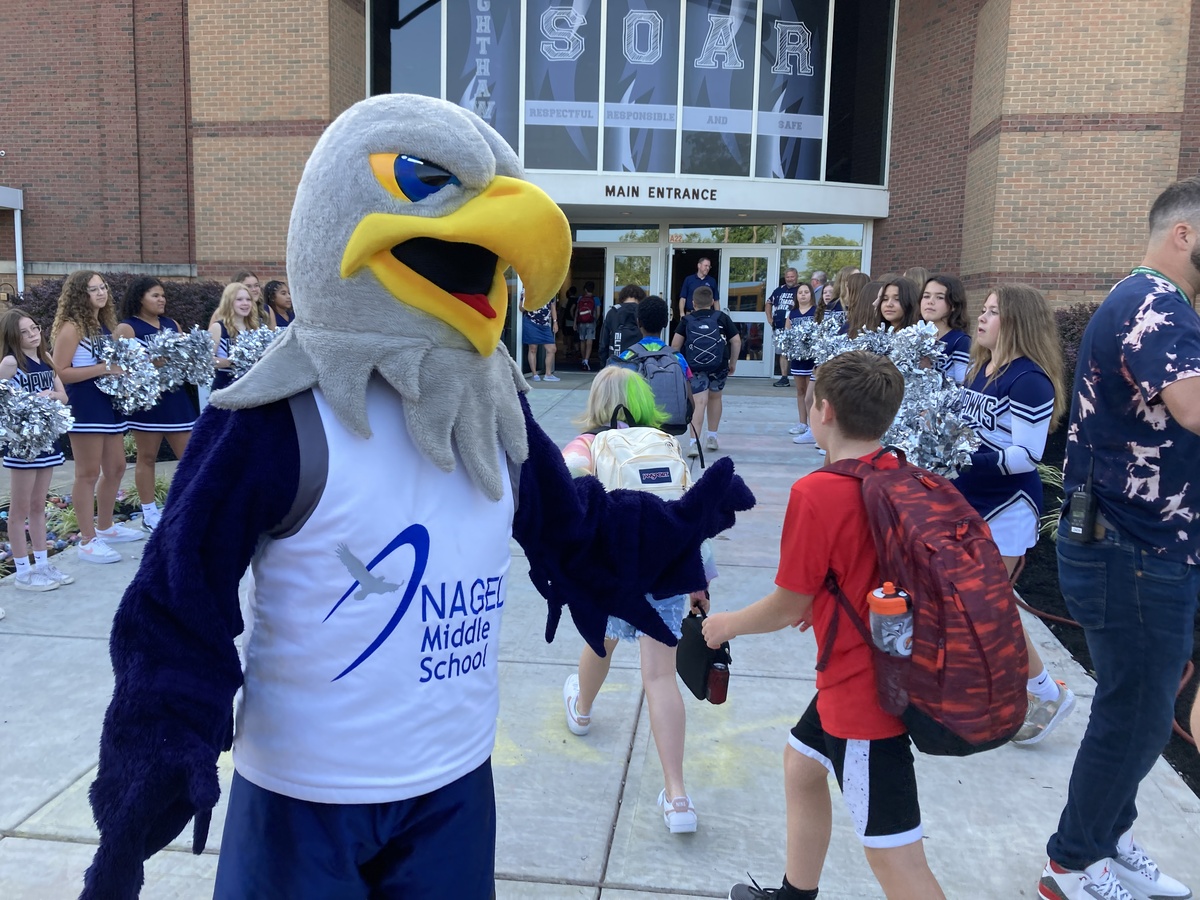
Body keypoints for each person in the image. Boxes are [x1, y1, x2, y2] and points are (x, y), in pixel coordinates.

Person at [703, 351, 946, 900]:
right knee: (803, 761)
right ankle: (795, 894)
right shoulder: (904, 475)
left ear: (824, 411)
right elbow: (865, 568)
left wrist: (724, 627)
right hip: (891, 668)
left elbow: (788, 604)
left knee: (897, 859)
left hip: (865, 699)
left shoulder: (818, 492)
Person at [1038, 178, 1200, 900]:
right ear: (1184, 234)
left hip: (1135, 545)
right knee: (1135, 711)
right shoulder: (1157, 303)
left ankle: (1106, 836)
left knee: (1141, 706)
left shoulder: (1145, 300)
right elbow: (1195, 408)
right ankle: (1072, 863)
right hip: (1132, 551)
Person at [560, 365, 712, 833]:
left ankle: (582, 711)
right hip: (665, 570)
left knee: (600, 641)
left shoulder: (585, 446)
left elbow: (565, 502)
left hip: (612, 571)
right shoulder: (665, 444)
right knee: (660, 678)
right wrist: (699, 579)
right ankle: (678, 798)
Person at [951, 285, 1075, 751]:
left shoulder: (1029, 379)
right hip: (970, 498)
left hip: (1006, 507)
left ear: (1018, 320)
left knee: (989, 607)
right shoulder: (980, 368)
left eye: (993, 312)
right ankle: (998, 690)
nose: (981, 318)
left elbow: (1028, 453)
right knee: (969, 605)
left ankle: (1047, 693)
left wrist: (966, 456)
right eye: (981, 310)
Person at [51, 271, 145, 564]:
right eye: (94, 289)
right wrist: (105, 368)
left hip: (107, 402)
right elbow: (62, 371)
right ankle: (88, 541)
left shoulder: (102, 324)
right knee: (87, 473)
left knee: (116, 467)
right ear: (81, 294)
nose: (101, 293)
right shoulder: (71, 328)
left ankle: (105, 528)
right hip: (85, 405)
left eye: (103, 287)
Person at [114, 277, 198, 531]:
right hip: (148, 403)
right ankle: (149, 513)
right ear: (140, 298)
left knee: (190, 456)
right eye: (155, 295)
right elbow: (121, 368)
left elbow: (186, 357)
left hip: (176, 398)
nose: (161, 299)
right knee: (147, 457)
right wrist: (153, 362)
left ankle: (190, 507)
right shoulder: (127, 328)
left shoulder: (172, 324)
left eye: (163, 295)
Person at [0, 308, 73, 590]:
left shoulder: (45, 358)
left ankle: (42, 564)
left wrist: (52, 396)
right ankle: (22, 572)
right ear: (11, 337)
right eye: (24, 332)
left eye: (34, 328)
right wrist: (29, 403)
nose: (32, 335)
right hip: (22, 446)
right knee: (19, 510)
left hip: (47, 441)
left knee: (38, 506)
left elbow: (63, 397)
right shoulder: (9, 363)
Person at [672, 286, 740, 456]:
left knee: (699, 401)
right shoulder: (722, 317)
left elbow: (675, 345)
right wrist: (733, 362)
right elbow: (736, 340)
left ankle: (694, 443)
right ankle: (712, 437)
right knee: (715, 397)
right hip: (719, 365)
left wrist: (681, 366)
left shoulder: (687, 320)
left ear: (693, 303)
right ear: (711, 302)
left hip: (694, 367)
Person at [919, 274, 971, 385]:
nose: (930, 302)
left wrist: (928, 371)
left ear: (954, 305)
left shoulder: (961, 341)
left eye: (940, 297)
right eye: (926, 296)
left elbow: (963, 387)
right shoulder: (914, 336)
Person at [209, 281, 261, 392]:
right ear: (229, 302)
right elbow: (206, 360)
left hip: (250, 388)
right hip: (224, 387)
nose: (245, 303)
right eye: (239, 299)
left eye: (248, 300)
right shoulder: (218, 327)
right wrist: (230, 362)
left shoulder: (254, 329)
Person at [786, 281, 818, 445]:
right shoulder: (792, 314)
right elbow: (787, 333)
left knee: (810, 394)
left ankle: (812, 427)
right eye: (800, 293)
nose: (803, 295)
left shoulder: (817, 312)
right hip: (797, 359)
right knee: (800, 390)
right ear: (796, 296)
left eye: (806, 292)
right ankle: (802, 423)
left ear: (811, 295)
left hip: (811, 359)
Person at [767, 268, 799, 387]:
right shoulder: (779, 290)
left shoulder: (801, 290)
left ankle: (800, 377)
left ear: (797, 276)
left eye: (792, 276)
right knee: (783, 352)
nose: (790, 279)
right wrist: (769, 318)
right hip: (779, 326)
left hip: (796, 327)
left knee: (797, 352)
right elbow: (768, 303)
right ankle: (784, 378)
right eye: (787, 277)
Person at [600, 283, 645, 361]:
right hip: (639, 363)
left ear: (622, 297)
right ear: (641, 298)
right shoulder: (643, 312)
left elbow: (603, 343)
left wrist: (603, 365)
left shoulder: (613, 312)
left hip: (616, 364)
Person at [522, 295, 559, 382]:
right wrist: (525, 300)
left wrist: (555, 322)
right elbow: (521, 308)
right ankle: (534, 374)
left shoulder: (549, 290)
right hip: (531, 322)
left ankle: (548, 374)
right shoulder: (528, 291)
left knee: (552, 349)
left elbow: (552, 307)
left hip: (545, 324)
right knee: (533, 348)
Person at [575, 281, 598, 369]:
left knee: (582, 340)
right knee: (589, 341)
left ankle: (583, 359)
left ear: (585, 289)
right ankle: (586, 360)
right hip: (591, 322)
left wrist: (575, 322)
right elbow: (598, 312)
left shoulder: (581, 298)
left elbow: (577, 311)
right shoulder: (596, 299)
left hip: (581, 322)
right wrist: (596, 320)